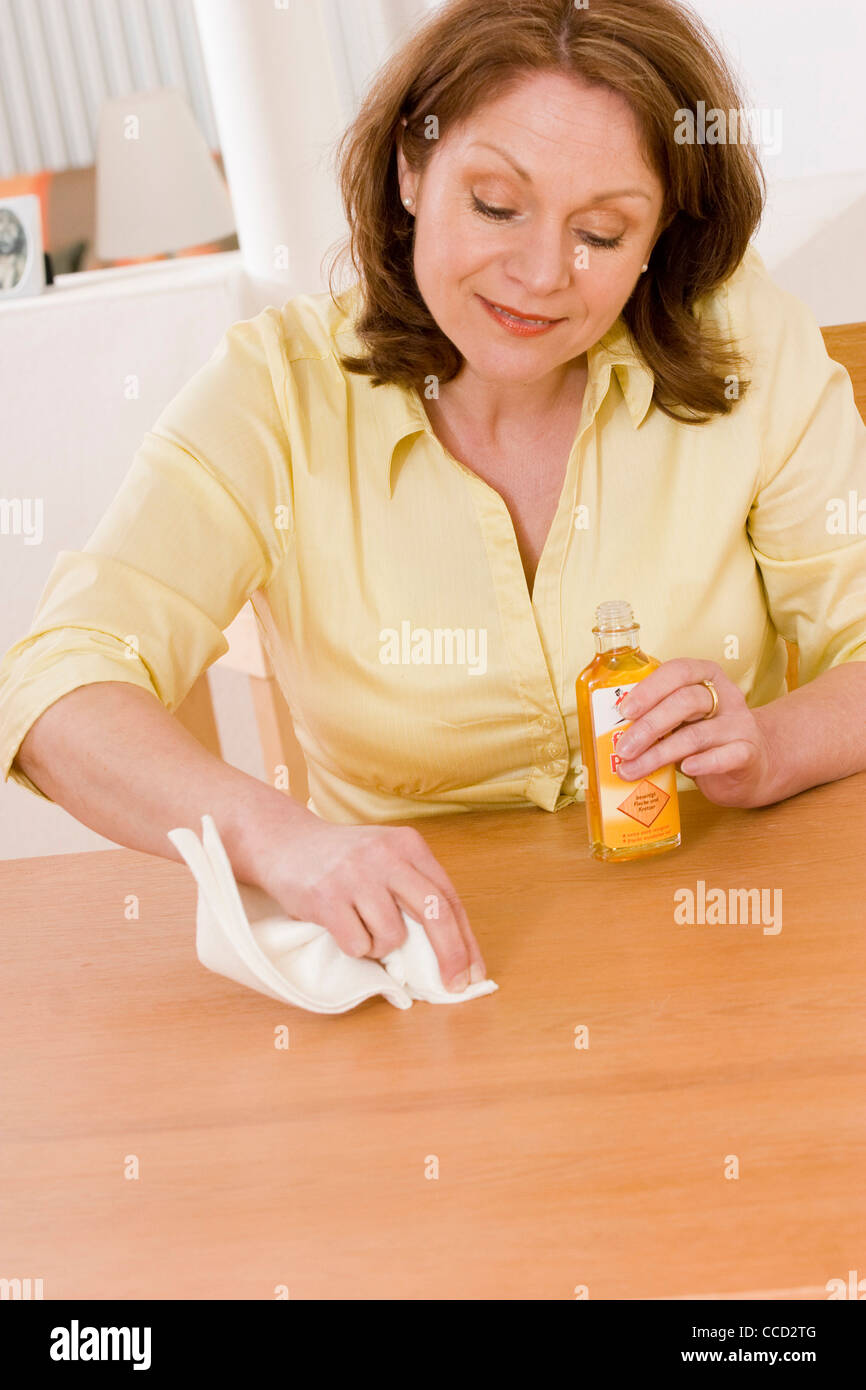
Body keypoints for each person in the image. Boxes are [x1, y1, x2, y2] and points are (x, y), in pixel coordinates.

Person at [2, 0, 865, 991]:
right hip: (430, 980)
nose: (541, 274)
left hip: (733, 948)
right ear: (410, 170)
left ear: (660, 229)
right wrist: (283, 840)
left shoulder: (741, 339)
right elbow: (58, 685)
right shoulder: (278, 391)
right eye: (494, 206)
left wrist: (769, 743)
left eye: (600, 229)